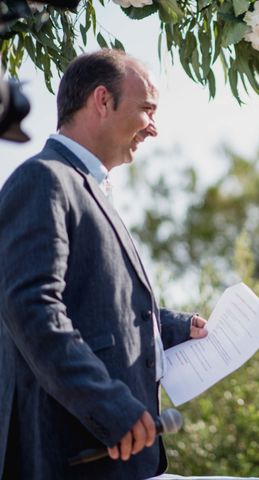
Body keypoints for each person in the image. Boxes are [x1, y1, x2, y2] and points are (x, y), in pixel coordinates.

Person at [0, 49, 208, 479]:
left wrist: (171, 326)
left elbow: (95, 306)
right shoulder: (44, 179)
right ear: (102, 100)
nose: (153, 127)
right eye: (147, 109)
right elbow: (32, 308)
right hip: (73, 452)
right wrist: (107, 405)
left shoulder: (87, 186)